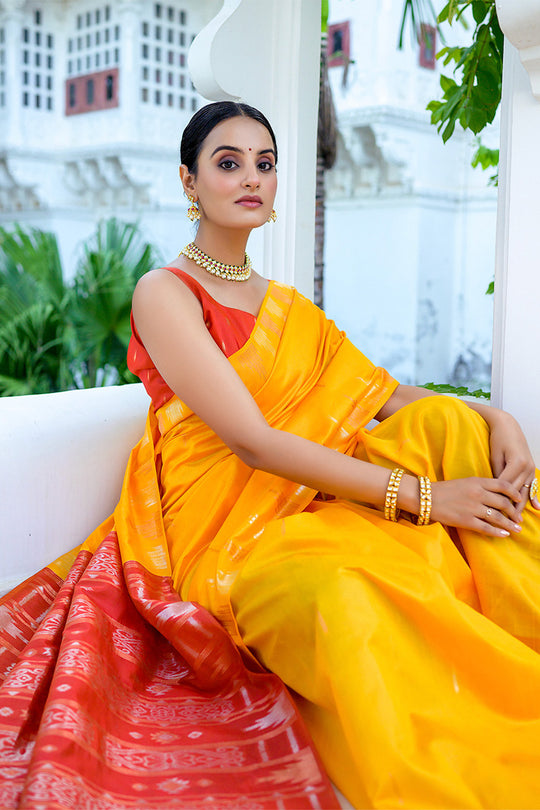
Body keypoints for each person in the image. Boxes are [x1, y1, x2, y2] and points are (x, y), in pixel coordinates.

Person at [2, 101, 540, 810]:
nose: (252, 178)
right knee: (344, 589)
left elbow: (385, 396)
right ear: (191, 181)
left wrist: (494, 416)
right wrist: (429, 501)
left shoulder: (289, 308)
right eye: (228, 163)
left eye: (266, 163)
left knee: (447, 423)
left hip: (306, 503)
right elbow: (253, 441)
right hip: (225, 535)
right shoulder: (166, 293)